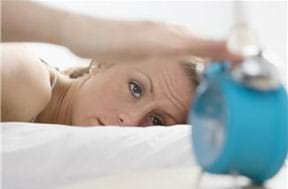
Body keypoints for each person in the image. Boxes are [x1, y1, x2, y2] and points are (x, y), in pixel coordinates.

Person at [1, 1, 241, 126]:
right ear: (103, 62)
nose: (129, 121)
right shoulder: (31, 82)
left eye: (156, 121)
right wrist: (76, 30)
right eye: (135, 88)